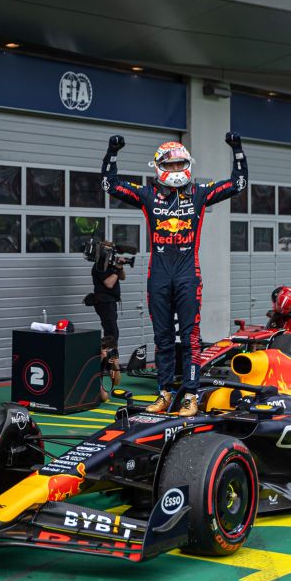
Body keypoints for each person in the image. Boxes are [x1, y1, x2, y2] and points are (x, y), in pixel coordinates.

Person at [101, 132, 248, 416]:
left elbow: (238, 184)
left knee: (191, 337)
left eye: (181, 165)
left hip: (187, 274)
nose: (176, 170)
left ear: (188, 165)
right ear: (158, 168)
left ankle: (190, 395)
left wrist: (237, 150)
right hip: (158, 275)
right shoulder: (147, 194)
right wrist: (112, 153)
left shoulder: (200, 193)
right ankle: (165, 393)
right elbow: (110, 184)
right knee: (163, 338)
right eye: (170, 166)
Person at [86, 241, 127, 399]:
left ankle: (110, 357)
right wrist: (116, 269)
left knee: (113, 331)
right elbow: (109, 283)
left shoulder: (109, 264)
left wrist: (120, 267)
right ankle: (110, 358)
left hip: (111, 302)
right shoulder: (99, 266)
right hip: (103, 302)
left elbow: (121, 277)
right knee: (111, 330)